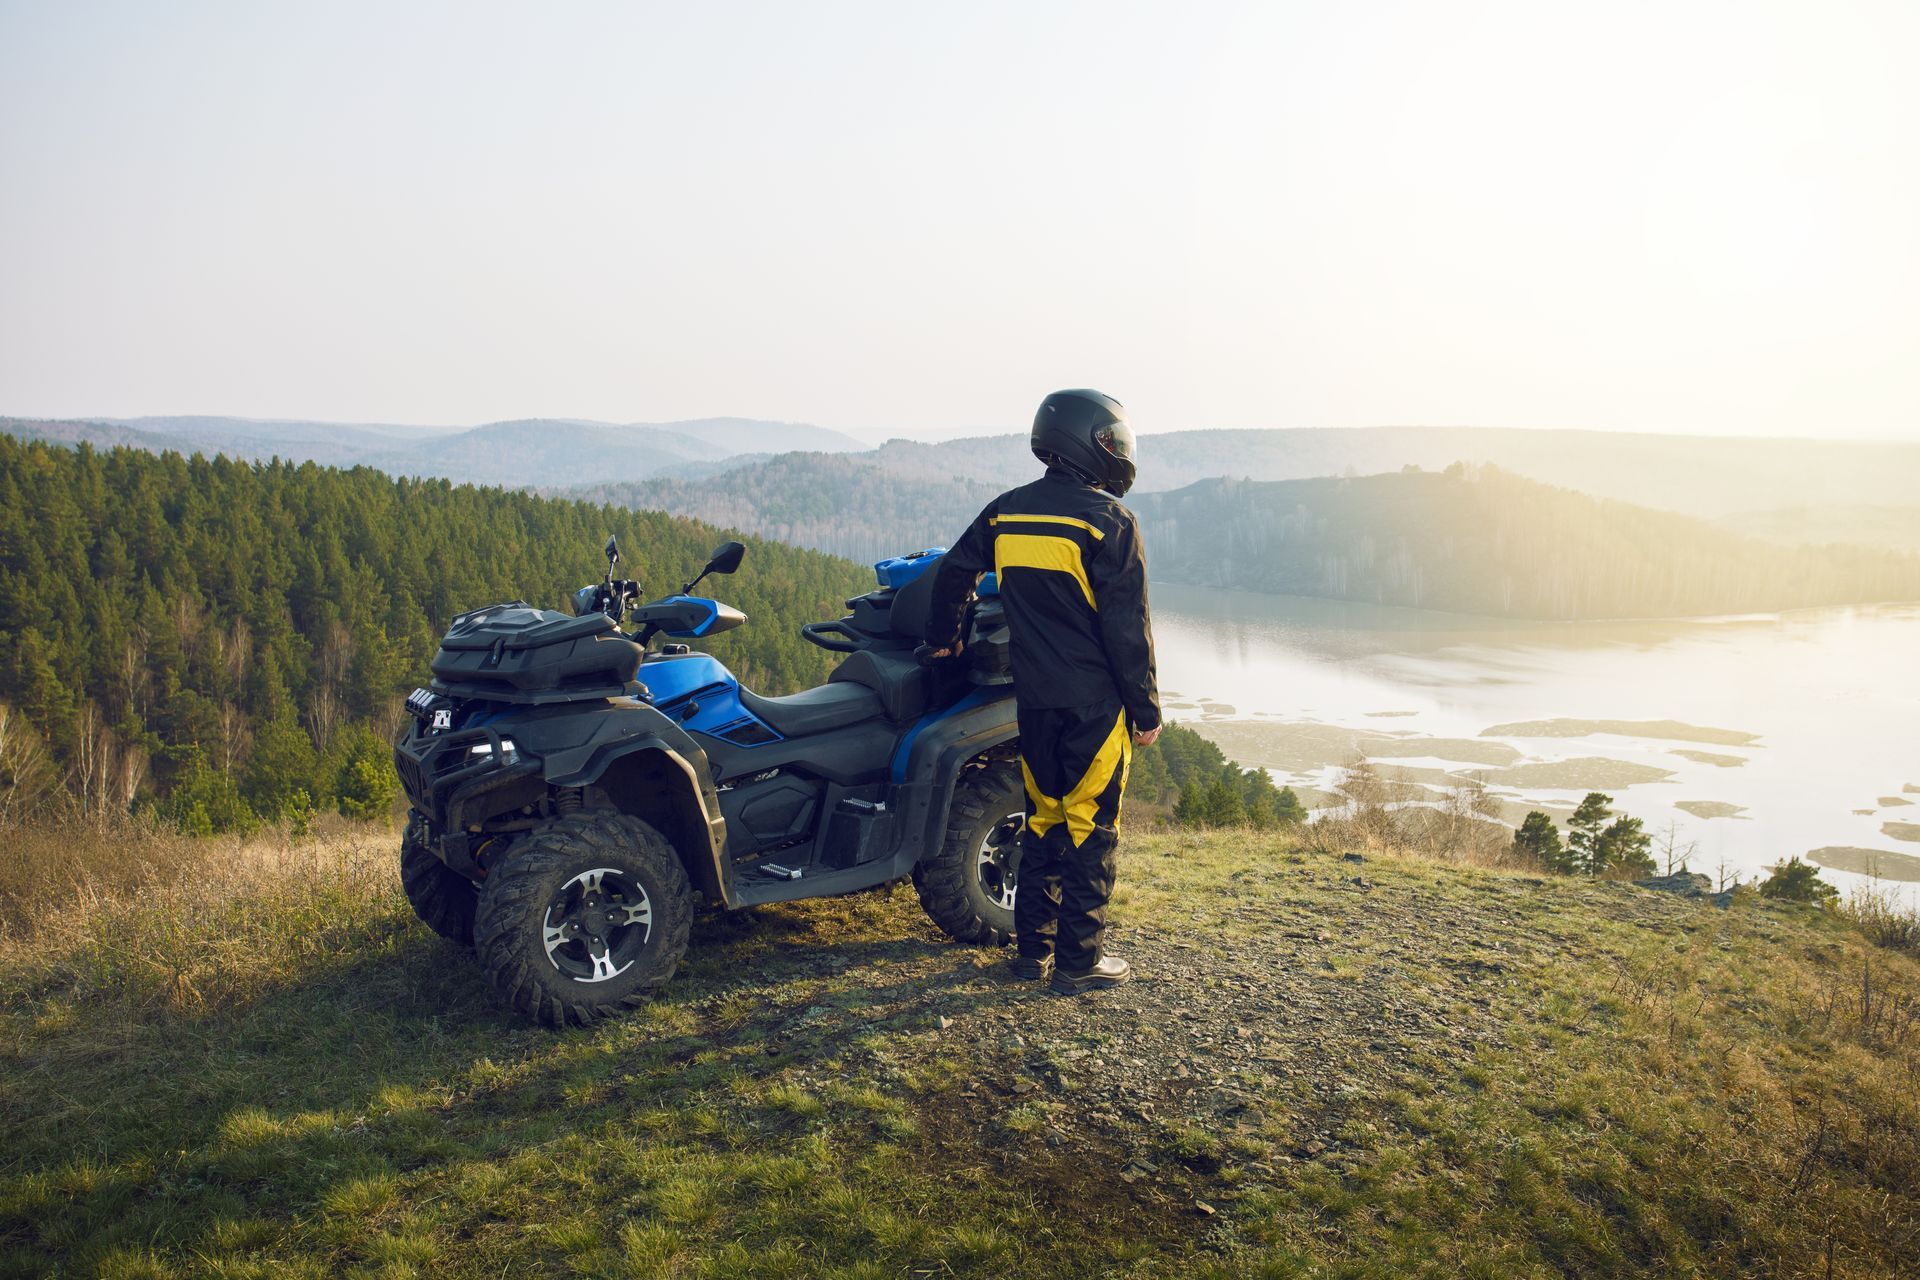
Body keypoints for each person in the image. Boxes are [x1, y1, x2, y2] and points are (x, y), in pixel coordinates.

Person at [923, 389, 1161, 995]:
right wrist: (1146, 710)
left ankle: (1032, 956)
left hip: (1033, 703)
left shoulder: (1007, 512)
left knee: (1044, 822)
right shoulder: (1110, 521)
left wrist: (946, 640)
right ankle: (1080, 965)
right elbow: (1127, 630)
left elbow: (953, 572)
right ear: (1092, 442)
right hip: (1094, 706)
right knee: (1091, 830)